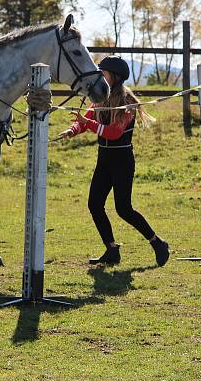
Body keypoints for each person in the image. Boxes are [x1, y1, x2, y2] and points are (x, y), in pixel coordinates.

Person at [59, 55, 170, 266]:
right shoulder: (100, 96)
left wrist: (86, 123)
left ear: (116, 77)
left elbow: (113, 133)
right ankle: (111, 249)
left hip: (122, 159)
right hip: (104, 158)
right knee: (95, 204)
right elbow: (87, 119)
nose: (100, 75)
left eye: (104, 73)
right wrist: (73, 130)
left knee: (124, 209)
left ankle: (158, 243)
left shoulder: (127, 103)